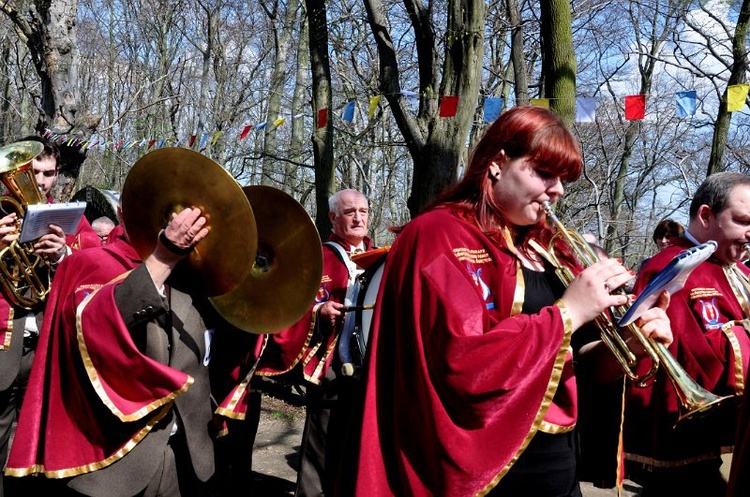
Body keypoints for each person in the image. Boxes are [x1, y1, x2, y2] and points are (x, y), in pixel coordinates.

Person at [334, 106, 673, 496]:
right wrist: (568, 312)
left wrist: (630, 343)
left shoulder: (551, 248)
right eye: (544, 173)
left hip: (557, 464)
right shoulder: (437, 234)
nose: (559, 189)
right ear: (497, 164)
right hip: (482, 475)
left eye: (563, 179)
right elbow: (460, 362)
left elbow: (578, 362)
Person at [4, 164, 261, 496]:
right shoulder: (91, 262)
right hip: (117, 463)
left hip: (187, 458)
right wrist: (164, 256)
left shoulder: (198, 276)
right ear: (123, 213)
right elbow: (98, 323)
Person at [622, 171, 750, 497]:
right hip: (683, 435)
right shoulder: (668, 265)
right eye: (742, 220)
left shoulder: (740, 272)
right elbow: (679, 353)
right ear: (706, 215)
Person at [253, 188, 373, 497]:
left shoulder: (381, 257)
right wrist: (320, 311)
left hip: (369, 367)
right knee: (321, 444)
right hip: (331, 363)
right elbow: (288, 304)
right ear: (333, 218)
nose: (358, 217)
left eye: (363, 211)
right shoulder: (317, 256)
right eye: (350, 212)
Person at [0, 137, 100, 497]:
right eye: (33, 172)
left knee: (42, 442)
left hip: (49, 345)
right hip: (3, 344)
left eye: (49, 173)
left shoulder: (71, 217)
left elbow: (99, 266)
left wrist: (62, 256)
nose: (41, 182)